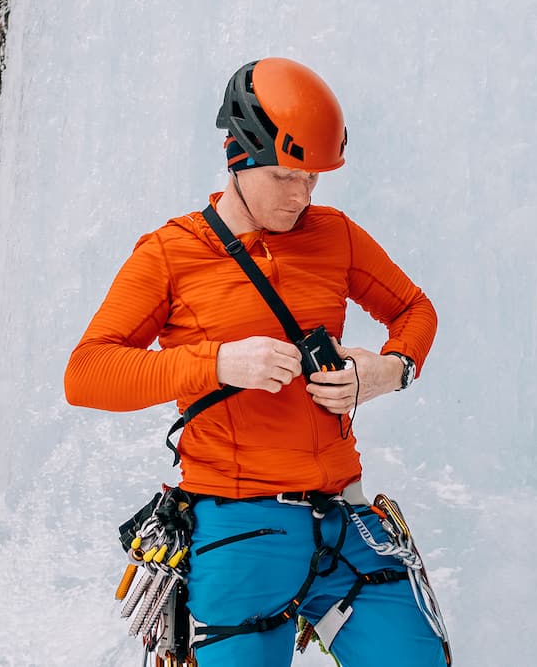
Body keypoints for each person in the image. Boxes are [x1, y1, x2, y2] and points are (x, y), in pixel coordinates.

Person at [64, 57, 446, 667]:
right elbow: (86, 374)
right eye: (284, 177)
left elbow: (415, 309)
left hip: (347, 519)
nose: (302, 195)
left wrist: (386, 371)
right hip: (237, 530)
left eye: (314, 180)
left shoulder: (336, 235)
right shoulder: (170, 253)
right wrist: (216, 363)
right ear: (237, 157)